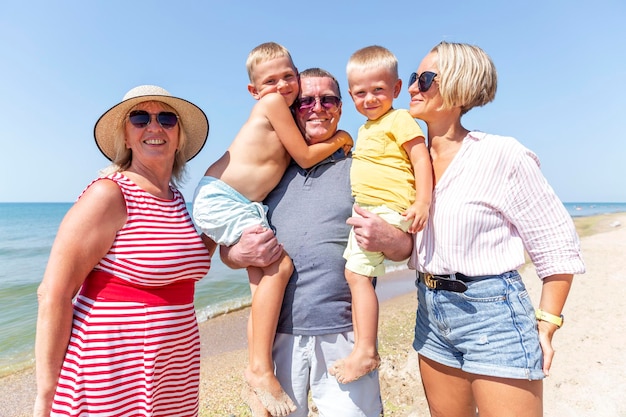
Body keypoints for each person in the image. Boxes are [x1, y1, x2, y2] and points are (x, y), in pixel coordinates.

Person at [407, 41, 586, 417]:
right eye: (413, 77)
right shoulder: (405, 160)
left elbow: (555, 244)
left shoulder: (501, 154)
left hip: (493, 312)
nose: (412, 87)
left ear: (459, 84)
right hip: (429, 309)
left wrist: (547, 323)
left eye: (424, 79)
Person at [222, 68, 414, 417]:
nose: (317, 108)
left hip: (344, 334)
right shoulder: (270, 170)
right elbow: (228, 246)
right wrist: (235, 253)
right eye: (306, 101)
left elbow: (404, 248)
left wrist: (392, 238)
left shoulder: (361, 168)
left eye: (328, 99)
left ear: (340, 108)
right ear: (291, 110)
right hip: (277, 336)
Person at [192, 43, 351, 417]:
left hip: (238, 202)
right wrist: (341, 138)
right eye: (270, 81)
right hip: (226, 198)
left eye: (287, 77)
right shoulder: (275, 105)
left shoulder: (284, 116)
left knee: (263, 289)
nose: (282, 86)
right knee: (279, 269)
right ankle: (260, 370)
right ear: (254, 90)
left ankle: (256, 374)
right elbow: (306, 155)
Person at [33, 85, 212, 417]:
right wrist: (45, 396)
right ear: (126, 138)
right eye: (140, 118)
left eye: (167, 119)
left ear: (179, 137)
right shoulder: (109, 194)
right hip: (114, 368)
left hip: (175, 366)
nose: (154, 127)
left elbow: (176, 267)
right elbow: (54, 293)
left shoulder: (175, 199)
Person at [329, 45, 433, 384]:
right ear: (351, 95)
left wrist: (423, 202)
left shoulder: (400, 118)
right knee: (356, 276)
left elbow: (420, 158)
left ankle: (367, 351)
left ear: (397, 89)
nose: (370, 98)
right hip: (375, 210)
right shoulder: (366, 128)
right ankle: (363, 347)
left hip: (388, 210)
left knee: (358, 278)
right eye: (360, 93)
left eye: (379, 90)